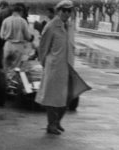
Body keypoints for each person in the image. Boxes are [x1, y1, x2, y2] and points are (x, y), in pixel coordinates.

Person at [36, 0, 89, 136]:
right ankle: (51, 124)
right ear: (58, 11)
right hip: (54, 67)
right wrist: (45, 64)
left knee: (68, 97)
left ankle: (58, 121)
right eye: (63, 10)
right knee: (52, 98)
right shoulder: (51, 26)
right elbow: (43, 48)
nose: (66, 13)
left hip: (68, 67)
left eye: (69, 11)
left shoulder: (70, 26)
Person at [0, 3, 33, 72]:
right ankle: (12, 82)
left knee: (6, 68)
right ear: (21, 12)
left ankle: (6, 81)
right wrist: (31, 38)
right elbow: (27, 37)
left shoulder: (6, 20)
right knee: (15, 69)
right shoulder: (23, 21)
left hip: (7, 45)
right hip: (18, 47)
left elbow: (1, 36)